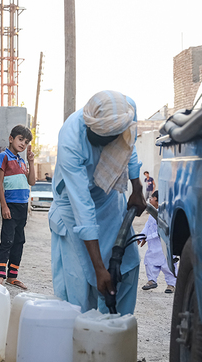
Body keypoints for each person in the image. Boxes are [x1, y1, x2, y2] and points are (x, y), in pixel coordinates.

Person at [49, 90, 146, 316]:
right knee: (81, 285)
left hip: (109, 193)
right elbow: (82, 209)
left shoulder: (126, 110)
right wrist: (99, 267)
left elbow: (128, 145)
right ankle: (81, 341)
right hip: (72, 206)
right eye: (99, 141)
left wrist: (137, 187)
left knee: (125, 267)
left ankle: (113, 333)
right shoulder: (70, 142)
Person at [0, 125, 36, 289]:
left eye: (26, 142)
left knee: (19, 241)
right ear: (11, 139)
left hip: (22, 207)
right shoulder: (4, 157)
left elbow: (32, 182)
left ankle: (12, 276)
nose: (23, 144)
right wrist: (4, 206)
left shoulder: (22, 161)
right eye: (20, 139)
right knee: (7, 240)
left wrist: (31, 162)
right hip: (10, 205)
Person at [139, 190, 177, 294]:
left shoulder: (167, 213)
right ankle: (151, 281)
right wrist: (142, 236)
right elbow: (148, 226)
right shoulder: (153, 213)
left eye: (152, 198)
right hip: (153, 247)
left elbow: (164, 230)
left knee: (168, 266)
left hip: (164, 246)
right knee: (149, 262)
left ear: (157, 200)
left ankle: (171, 285)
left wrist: (148, 237)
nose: (150, 200)